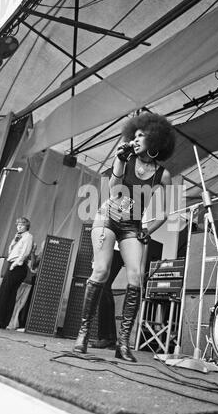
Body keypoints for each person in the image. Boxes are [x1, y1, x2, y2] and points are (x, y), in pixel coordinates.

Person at [73, 112, 176, 362]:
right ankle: (83, 335)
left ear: (155, 141)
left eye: (142, 135)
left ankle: (123, 344)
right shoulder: (124, 160)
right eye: (135, 135)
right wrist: (119, 160)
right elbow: (114, 190)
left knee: (136, 278)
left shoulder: (163, 175)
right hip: (108, 217)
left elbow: (166, 212)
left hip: (132, 225)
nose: (137, 139)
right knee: (101, 271)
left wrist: (147, 231)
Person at [0, 217, 33, 329]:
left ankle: (0, 321)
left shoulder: (28, 236)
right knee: (7, 293)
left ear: (26, 226)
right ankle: (2, 321)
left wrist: (16, 264)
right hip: (12, 264)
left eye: (22, 225)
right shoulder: (18, 236)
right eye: (18, 225)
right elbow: (11, 251)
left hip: (18, 266)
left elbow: (25, 252)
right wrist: (14, 242)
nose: (19, 226)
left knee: (5, 292)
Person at [89, 245, 124, 349]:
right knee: (104, 289)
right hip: (106, 249)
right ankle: (108, 337)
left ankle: (107, 338)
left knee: (104, 287)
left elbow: (145, 230)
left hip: (117, 250)